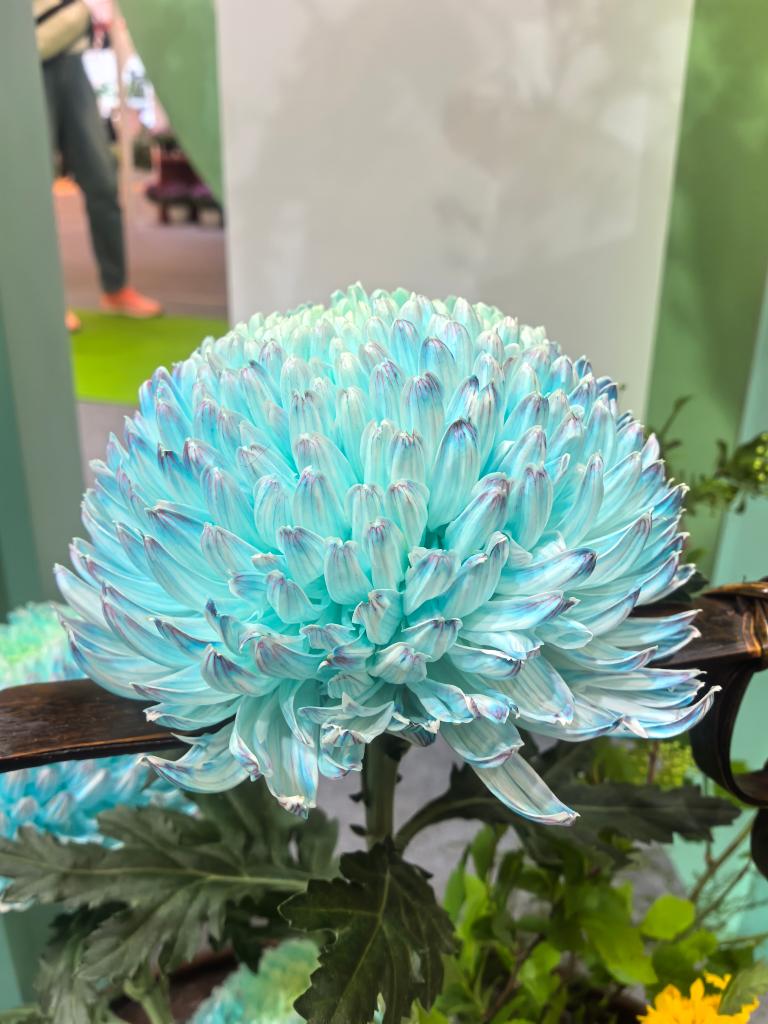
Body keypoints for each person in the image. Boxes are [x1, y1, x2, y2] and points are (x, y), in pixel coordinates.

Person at [34, 0, 162, 331]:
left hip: (71, 59)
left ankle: (116, 288)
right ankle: (46, 301)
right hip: (27, 61)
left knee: (102, 179)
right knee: (35, 193)